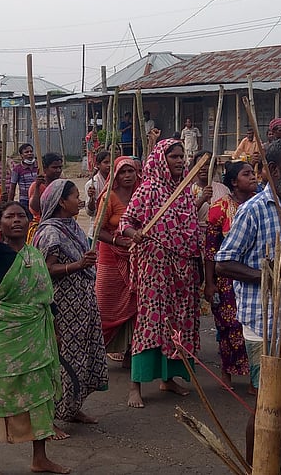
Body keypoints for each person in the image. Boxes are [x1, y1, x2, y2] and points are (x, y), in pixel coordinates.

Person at [215, 139, 281, 456]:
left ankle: (279, 460)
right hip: (262, 323)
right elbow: (223, 262)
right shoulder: (253, 210)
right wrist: (271, 277)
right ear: (272, 169)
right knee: (266, 403)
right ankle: (256, 466)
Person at [0, 164, 70, 475]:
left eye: (21, 216)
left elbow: (46, 298)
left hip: (37, 333)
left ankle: (39, 458)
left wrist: (54, 331)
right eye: (9, 216)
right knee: (0, 396)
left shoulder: (36, 257)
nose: (16, 220)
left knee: (40, 396)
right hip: (7, 336)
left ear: (29, 222)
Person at [118, 138, 211, 409]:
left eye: (182, 156)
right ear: (161, 160)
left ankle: (168, 378)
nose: (180, 161)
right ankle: (135, 385)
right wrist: (135, 233)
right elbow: (126, 222)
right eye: (175, 157)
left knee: (177, 322)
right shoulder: (147, 189)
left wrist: (197, 203)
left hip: (183, 268)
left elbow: (181, 222)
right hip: (155, 267)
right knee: (150, 323)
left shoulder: (183, 192)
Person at [31, 179, 107, 434]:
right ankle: (48, 417)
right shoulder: (51, 233)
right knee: (61, 360)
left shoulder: (72, 226)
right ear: (62, 202)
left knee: (81, 357)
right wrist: (77, 266)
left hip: (82, 304)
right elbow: (46, 270)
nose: (80, 200)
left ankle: (73, 408)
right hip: (62, 307)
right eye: (75, 196)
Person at [203, 160, 254, 391]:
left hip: (252, 277)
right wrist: (210, 283)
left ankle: (256, 376)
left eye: (254, 173)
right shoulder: (219, 209)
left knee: (254, 327)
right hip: (226, 281)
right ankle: (227, 373)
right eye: (246, 174)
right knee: (228, 327)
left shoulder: (259, 205)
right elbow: (210, 250)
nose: (253, 177)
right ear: (234, 182)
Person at [94, 156, 139, 360]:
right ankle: (95, 353)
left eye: (130, 171)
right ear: (116, 175)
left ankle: (131, 352)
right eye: (122, 172)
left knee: (135, 305)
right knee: (105, 305)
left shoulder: (142, 194)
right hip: (111, 257)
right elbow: (98, 230)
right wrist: (119, 242)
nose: (127, 175)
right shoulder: (109, 197)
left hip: (136, 257)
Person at [9, 144, 40, 212]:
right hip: (25, 201)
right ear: (21, 155)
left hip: (39, 199)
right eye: (26, 152)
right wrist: (9, 205)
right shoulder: (17, 169)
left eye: (31, 151)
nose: (30, 153)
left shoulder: (39, 166)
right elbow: (12, 188)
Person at [84, 151, 111, 220]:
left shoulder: (116, 181)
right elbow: (90, 212)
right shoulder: (91, 184)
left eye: (111, 162)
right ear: (98, 165)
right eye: (106, 162)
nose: (109, 165)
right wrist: (91, 198)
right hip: (98, 220)